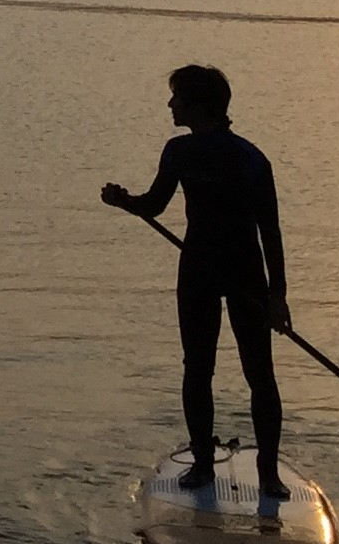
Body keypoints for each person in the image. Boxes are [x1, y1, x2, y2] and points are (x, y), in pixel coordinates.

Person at [102, 64, 290, 495]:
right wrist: (123, 201)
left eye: (177, 98)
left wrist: (277, 297)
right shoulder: (182, 152)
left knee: (255, 373)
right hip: (202, 270)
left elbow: (270, 229)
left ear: (198, 105)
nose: (170, 104)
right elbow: (154, 205)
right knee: (202, 369)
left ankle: (265, 474)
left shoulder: (249, 159)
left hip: (240, 274)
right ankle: (207, 465)